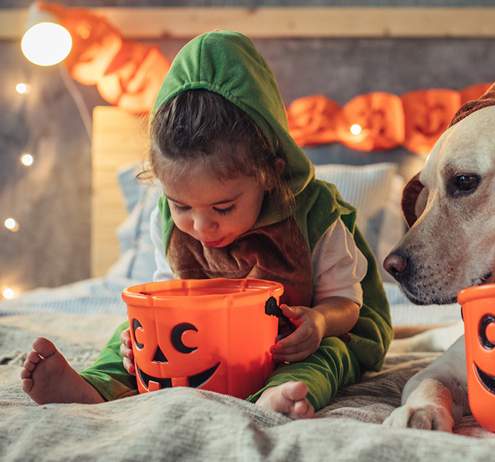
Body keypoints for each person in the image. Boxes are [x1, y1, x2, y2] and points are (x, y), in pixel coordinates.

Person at [20, 31, 392, 418]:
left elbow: (346, 305)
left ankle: (281, 394)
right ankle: (93, 387)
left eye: (224, 207)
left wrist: (318, 320)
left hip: (294, 340)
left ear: (269, 174)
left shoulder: (315, 216)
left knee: (329, 354)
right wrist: (142, 339)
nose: (201, 227)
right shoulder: (165, 223)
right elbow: (166, 300)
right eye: (181, 206)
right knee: (128, 340)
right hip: (204, 338)